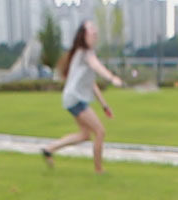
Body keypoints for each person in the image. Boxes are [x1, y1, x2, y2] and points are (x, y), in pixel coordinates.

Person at [42, 21, 123, 174]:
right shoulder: (85, 53)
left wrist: (104, 105)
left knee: (85, 135)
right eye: (90, 28)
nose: (94, 30)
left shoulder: (84, 54)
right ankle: (99, 170)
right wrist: (112, 78)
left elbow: (92, 84)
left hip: (72, 99)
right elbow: (97, 67)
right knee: (100, 131)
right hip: (75, 99)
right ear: (83, 35)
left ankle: (49, 149)